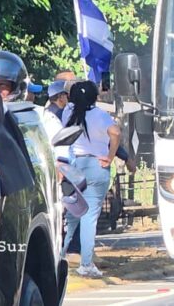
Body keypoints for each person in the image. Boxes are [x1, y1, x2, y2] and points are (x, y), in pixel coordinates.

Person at [61, 80, 121, 278]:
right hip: (97, 166)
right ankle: (86, 263)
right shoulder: (101, 116)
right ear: (95, 97)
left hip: (74, 167)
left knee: (72, 214)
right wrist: (110, 156)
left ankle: (59, 254)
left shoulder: (68, 113)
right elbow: (116, 133)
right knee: (89, 216)